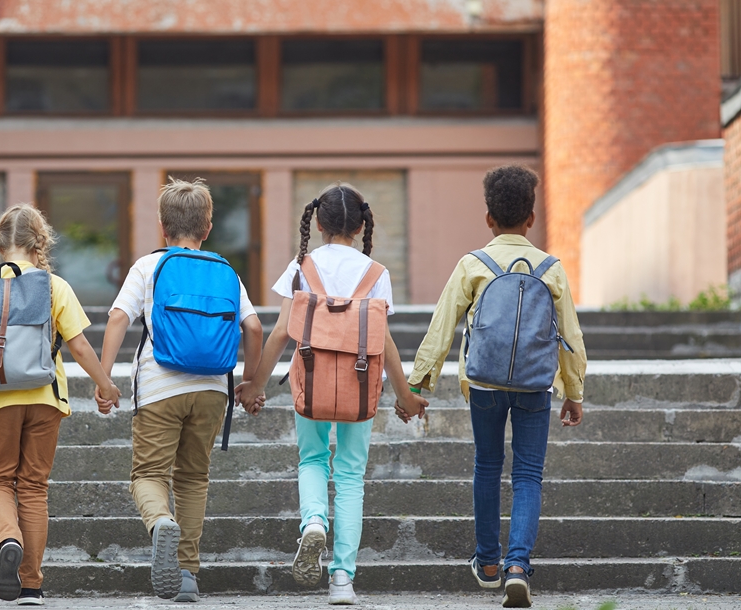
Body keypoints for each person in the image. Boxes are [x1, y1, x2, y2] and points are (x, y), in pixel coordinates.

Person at [236, 183, 428, 606]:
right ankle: (342, 579)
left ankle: (313, 524)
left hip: (311, 378)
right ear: (361, 228)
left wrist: (255, 385)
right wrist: (406, 394)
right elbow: (385, 342)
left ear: (318, 224)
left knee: (312, 458)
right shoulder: (376, 273)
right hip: (361, 387)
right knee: (350, 475)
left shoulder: (303, 267)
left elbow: (283, 331)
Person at [405, 165, 586, 608]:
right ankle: (518, 566)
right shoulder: (551, 269)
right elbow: (572, 337)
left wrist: (419, 381)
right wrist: (573, 391)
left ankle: (488, 561)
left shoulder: (473, 264)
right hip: (534, 385)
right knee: (528, 474)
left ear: (488, 217)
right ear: (532, 217)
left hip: (483, 383)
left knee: (487, 465)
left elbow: (442, 324)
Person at [0, 205, 122, 605]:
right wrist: (106, 385)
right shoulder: (53, 285)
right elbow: (78, 345)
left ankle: (8, 540)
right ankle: (31, 585)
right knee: (34, 487)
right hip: (45, 397)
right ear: (39, 242)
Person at [97, 178, 263, 602]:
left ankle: (160, 523)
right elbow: (254, 326)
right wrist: (252, 381)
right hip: (213, 389)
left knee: (149, 475)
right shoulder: (225, 270)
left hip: (159, 385)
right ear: (207, 227)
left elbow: (118, 318)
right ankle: (187, 574)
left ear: (161, 226)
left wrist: (105, 378)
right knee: (193, 479)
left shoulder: (149, 266)